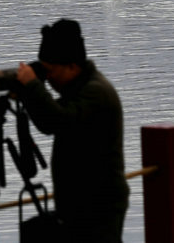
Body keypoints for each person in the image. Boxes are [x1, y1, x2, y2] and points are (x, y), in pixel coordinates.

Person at [16, 18, 130, 242]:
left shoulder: (96, 92)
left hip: (99, 208)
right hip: (81, 205)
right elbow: (50, 121)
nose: (47, 79)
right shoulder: (79, 88)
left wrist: (32, 86)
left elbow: (57, 120)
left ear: (72, 66)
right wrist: (28, 93)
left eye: (51, 72)